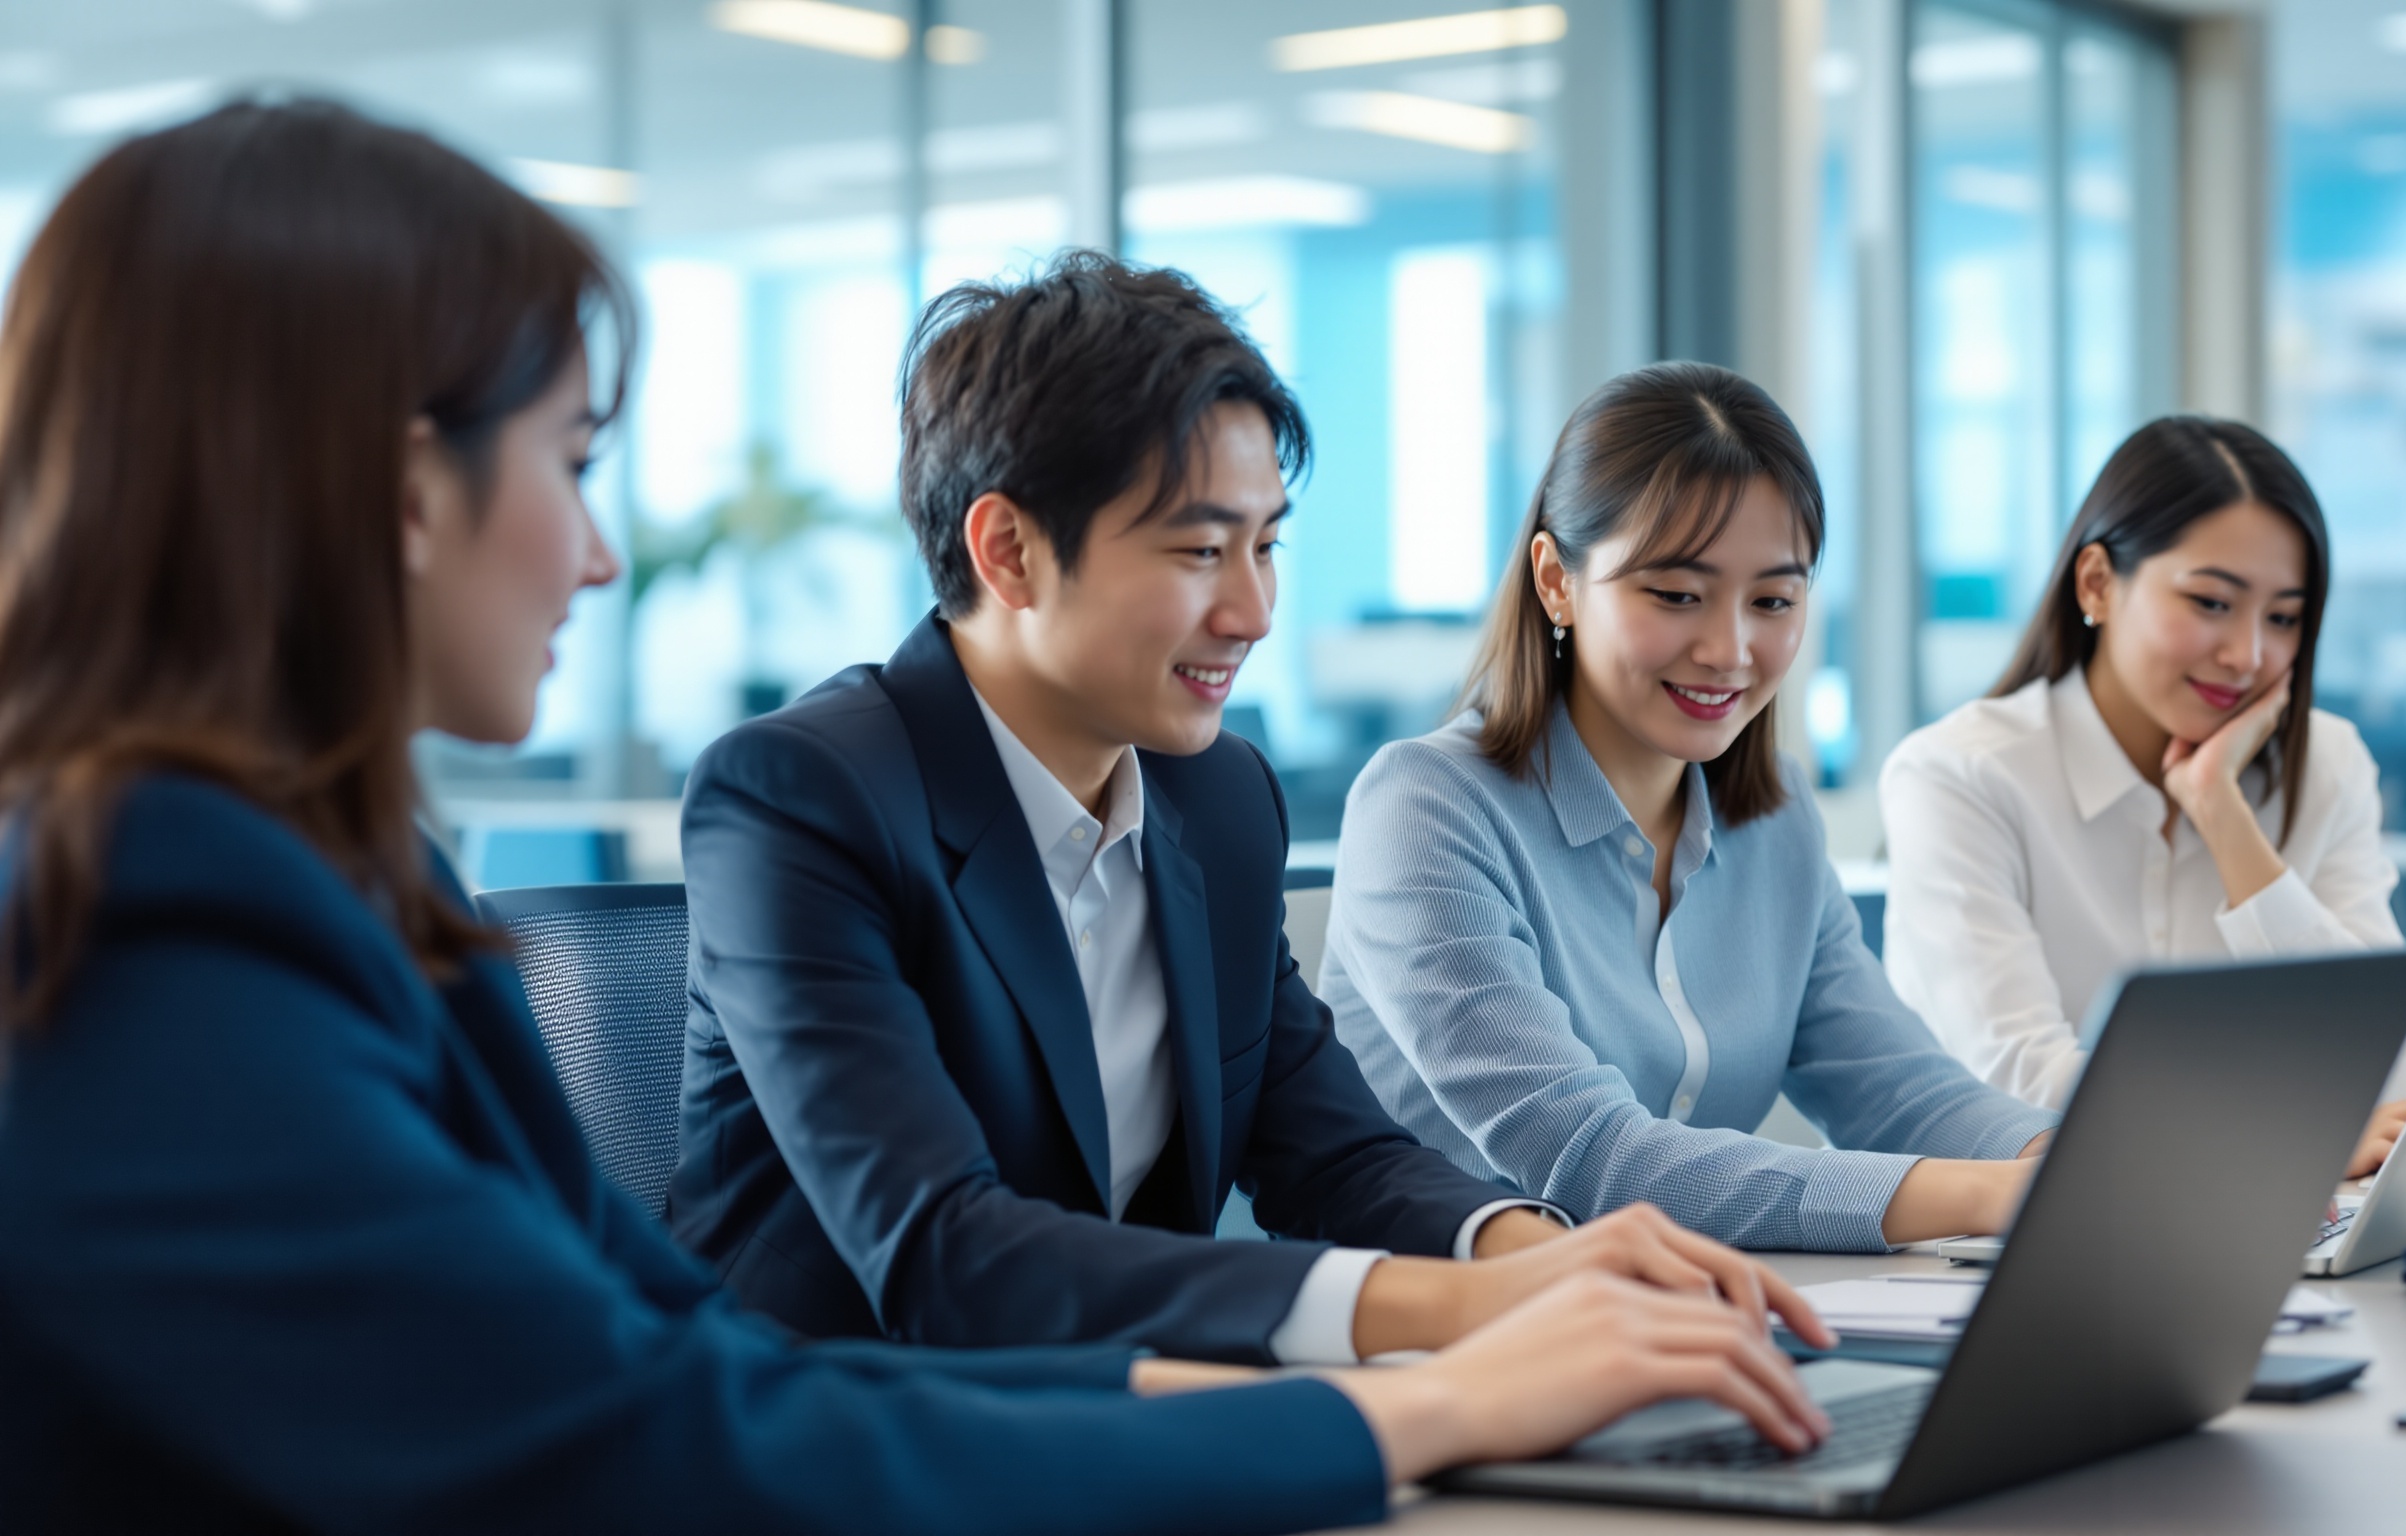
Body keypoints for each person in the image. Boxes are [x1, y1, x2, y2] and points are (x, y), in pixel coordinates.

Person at [0, 101, 1838, 1531]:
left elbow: (682, 1359)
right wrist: (1421, 1392)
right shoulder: (146, 923)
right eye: (566, 461)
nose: (597, 547)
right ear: (400, 492)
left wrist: (1494, 1309)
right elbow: (687, 1423)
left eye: (1265, 547)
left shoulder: (330, 881)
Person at [667, 255, 1827, 1366]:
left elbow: (1331, 1150)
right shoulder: (802, 798)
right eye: (1200, 551)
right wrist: (1459, 1302)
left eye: (1266, 547)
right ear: (1009, 550)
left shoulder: (1212, 796)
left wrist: (1542, 1256)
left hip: (1138, 1425)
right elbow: (941, 1254)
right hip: (843, 1450)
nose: (1252, 611)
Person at [1318, 363, 2057, 1254]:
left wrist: (2068, 1164)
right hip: (1444, 1340)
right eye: (1675, 595)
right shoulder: (1427, 809)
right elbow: (1596, 1159)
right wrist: (1994, 1198)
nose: (1730, 649)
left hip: (1686, 1323)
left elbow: (1900, 1088)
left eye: (1774, 600)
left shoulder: (1775, 824)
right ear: (1556, 580)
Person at [1880, 416, 2406, 1170]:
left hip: (2252, 1223)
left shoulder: (2327, 761)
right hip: (1979, 1240)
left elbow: (2395, 1069)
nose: (2247, 655)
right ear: (2098, 584)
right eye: (2212, 602)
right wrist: (2285, 1129)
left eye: (2283, 618)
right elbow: (2009, 1077)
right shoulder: (1961, 774)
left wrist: (2225, 818)